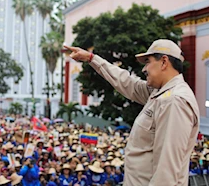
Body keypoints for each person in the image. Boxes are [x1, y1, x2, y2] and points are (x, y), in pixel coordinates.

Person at [65, 39, 200, 186]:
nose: (144, 69)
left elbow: (166, 173)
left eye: (148, 62)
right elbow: (127, 82)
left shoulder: (174, 101)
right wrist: (92, 59)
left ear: (164, 62)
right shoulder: (160, 93)